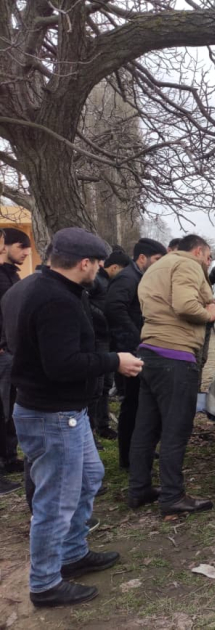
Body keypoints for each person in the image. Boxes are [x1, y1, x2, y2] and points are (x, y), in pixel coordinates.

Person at [3, 227, 144, 608]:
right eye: (97, 263)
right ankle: (45, 583)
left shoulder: (34, 287)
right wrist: (115, 360)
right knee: (56, 501)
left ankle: (72, 552)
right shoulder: (56, 300)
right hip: (52, 414)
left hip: (62, 411)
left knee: (90, 477)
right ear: (84, 263)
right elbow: (62, 365)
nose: (99, 270)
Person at [128, 235, 215, 515]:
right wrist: (209, 313)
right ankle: (172, 496)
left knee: (146, 428)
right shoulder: (188, 264)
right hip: (176, 355)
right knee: (176, 429)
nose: (208, 263)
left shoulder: (155, 267)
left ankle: (139, 488)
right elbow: (185, 305)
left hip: (149, 353)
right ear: (198, 251)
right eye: (208, 257)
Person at [105, 238, 167, 469]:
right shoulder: (127, 278)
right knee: (132, 404)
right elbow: (114, 308)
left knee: (141, 404)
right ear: (142, 258)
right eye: (157, 260)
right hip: (130, 350)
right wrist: (138, 336)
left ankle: (139, 450)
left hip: (136, 348)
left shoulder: (139, 277)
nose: (159, 264)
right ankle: (128, 457)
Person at [87, 251, 130, 441]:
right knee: (95, 388)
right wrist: (106, 317)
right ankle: (90, 431)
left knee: (105, 385)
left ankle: (103, 425)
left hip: (108, 338)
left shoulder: (110, 282)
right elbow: (85, 305)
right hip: (97, 339)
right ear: (114, 268)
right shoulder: (95, 280)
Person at [0, 228, 27, 480]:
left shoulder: (12, 275)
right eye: (21, 246)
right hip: (3, 352)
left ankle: (9, 457)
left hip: (11, 351)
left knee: (9, 408)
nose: (26, 252)